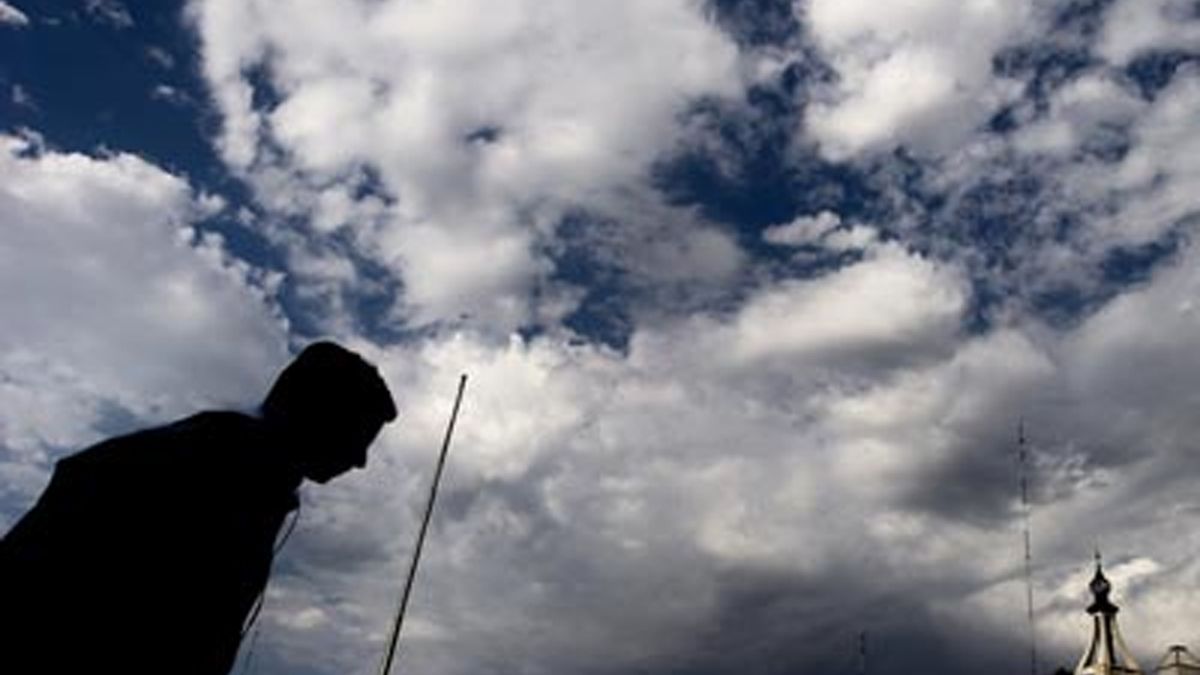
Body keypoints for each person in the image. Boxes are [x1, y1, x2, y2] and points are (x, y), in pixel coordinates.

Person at [0, 341, 397, 674]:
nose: (361, 460)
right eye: (359, 436)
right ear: (316, 414)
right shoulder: (206, 480)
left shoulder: (231, 473)